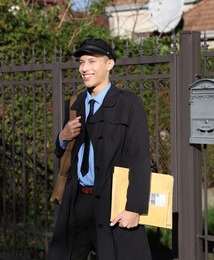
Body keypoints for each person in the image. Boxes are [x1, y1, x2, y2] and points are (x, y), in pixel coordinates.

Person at [48, 39, 152, 260]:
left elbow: (140, 158)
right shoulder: (74, 104)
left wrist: (134, 208)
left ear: (109, 64)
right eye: (82, 62)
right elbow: (60, 152)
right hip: (77, 203)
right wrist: (63, 137)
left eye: (92, 61)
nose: (84, 68)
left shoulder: (129, 104)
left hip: (112, 205)